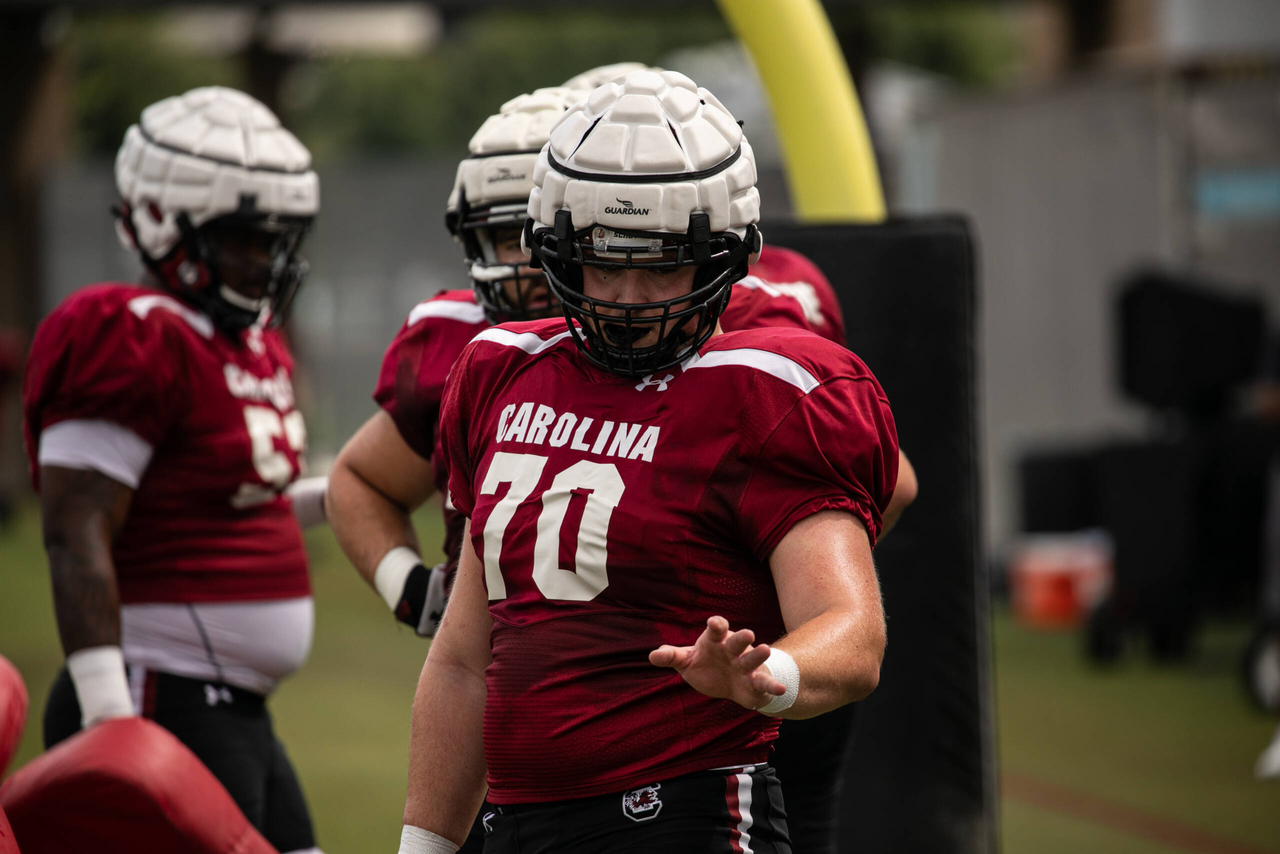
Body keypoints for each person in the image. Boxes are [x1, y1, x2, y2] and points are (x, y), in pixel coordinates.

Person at [396, 69, 897, 854]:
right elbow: (464, 659)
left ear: (723, 256)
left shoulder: (766, 392)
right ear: (558, 249)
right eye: (604, 261)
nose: (629, 297)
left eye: (662, 264)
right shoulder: (498, 368)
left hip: (683, 819)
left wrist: (768, 674)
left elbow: (852, 631)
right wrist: (423, 846)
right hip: (514, 826)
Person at [22, 86, 326, 854]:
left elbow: (228, 504)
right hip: (157, 693)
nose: (266, 261)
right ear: (163, 222)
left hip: (229, 707)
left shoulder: (240, 341)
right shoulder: (128, 334)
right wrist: (109, 718)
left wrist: (351, 497)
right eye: (246, 239)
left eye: (276, 240)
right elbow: (76, 527)